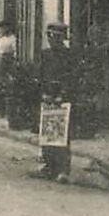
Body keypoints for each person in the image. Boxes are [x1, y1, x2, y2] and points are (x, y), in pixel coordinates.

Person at [36, 23, 77, 182]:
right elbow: (41, 74)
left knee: (62, 133)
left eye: (55, 37)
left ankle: (62, 169)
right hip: (48, 95)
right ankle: (49, 166)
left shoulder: (69, 55)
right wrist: (43, 93)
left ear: (62, 38)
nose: (52, 40)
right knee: (47, 132)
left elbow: (71, 76)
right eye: (50, 36)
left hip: (63, 96)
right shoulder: (45, 54)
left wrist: (63, 94)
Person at [0, 19, 18, 118]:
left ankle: (8, 112)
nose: (2, 30)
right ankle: (1, 110)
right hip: (2, 62)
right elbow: (0, 52)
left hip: (9, 61)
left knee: (9, 86)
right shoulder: (1, 39)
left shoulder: (12, 39)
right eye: (1, 28)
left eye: (4, 27)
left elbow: (15, 51)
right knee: (1, 85)